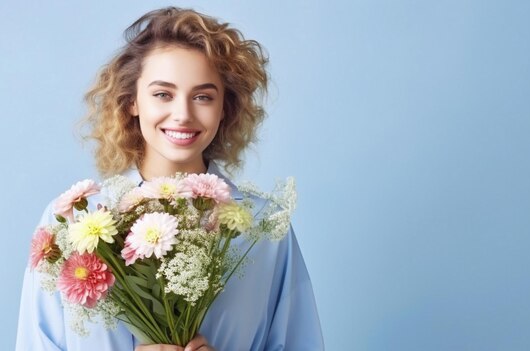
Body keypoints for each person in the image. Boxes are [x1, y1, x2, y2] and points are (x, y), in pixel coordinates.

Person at [16, 7, 324, 351]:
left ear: (225, 107)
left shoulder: (264, 228)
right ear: (132, 100)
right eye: (163, 94)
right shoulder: (71, 224)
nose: (182, 114)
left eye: (203, 97)